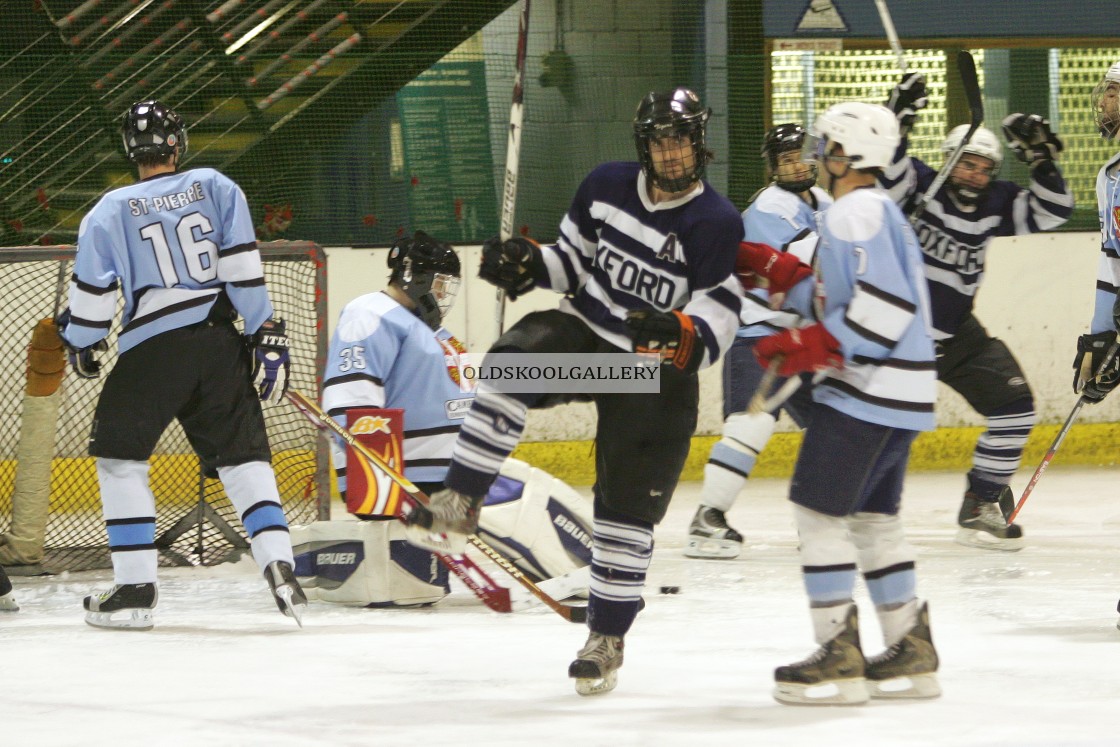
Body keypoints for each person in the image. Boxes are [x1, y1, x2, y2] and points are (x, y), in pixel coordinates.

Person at [406, 87, 744, 695]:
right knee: (510, 366)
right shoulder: (605, 185)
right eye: (661, 141)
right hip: (589, 339)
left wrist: (680, 330)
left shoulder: (716, 223)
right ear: (645, 146)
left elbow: (719, 322)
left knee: (624, 509)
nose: (672, 153)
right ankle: (462, 496)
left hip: (651, 371)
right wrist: (530, 263)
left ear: (699, 144)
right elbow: (571, 260)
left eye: (682, 140)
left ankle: (606, 636)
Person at [58, 100, 306, 630]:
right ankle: (280, 567)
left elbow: (92, 307)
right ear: (178, 143)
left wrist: (79, 338)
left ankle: (135, 589)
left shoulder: (107, 210)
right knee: (244, 460)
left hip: (154, 350)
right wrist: (265, 332)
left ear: (130, 150)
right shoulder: (217, 186)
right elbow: (242, 271)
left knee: (120, 460)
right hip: (220, 344)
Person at [745, 101, 940, 704]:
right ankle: (911, 645)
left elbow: (883, 311)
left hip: (867, 393)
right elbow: (848, 298)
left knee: (817, 512)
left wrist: (814, 346)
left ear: (846, 155)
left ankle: (838, 650)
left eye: (825, 145)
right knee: (874, 521)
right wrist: (784, 276)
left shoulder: (856, 211)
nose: (815, 155)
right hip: (900, 395)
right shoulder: (866, 210)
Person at [880, 73, 1074, 551]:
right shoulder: (919, 184)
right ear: (948, 161)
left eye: (984, 167)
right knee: (878, 431)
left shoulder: (996, 202)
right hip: (899, 333)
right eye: (966, 164)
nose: (974, 175)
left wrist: (1039, 155)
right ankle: (847, 506)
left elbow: (1056, 210)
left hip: (956, 333)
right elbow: (885, 170)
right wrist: (897, 115)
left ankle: (980, 502)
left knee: (1015, 407)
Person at [686, 123, 831, 559]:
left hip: (800, 336)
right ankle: (707, 520)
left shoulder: (823, 201)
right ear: (772, 168)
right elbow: (809, 267)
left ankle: (819, 519)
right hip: (759, 332)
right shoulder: (768, 209)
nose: (795, 165)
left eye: (800, 156)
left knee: (832, 424)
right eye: (785, 160)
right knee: (751, 425)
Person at [321, 230, 469, 503]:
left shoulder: (425, 327)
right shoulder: (369, 314)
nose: (442, 295)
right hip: (407, 480)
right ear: (415, 276)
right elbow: (349, 402)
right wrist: (378, 477)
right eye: (440, 284)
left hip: (450, 476)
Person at [1070, 60, 1120, 625]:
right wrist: (1100, 338)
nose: (1104, 102)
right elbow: (1112, 264)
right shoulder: (1109, 176)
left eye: (1112, 92)